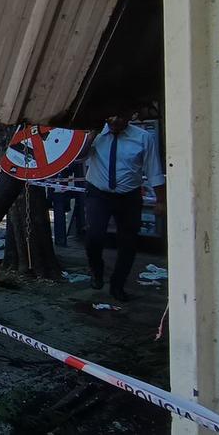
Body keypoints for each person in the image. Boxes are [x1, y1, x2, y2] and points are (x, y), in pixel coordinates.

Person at [83, 106, 165, 301]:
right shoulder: (96, 133)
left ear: (130, 116)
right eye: (111, 116)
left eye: (120, 116)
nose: (115, 120)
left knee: (128, 243)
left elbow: (154, 170)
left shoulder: (143, 137)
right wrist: (90, 136)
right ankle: (96, 269)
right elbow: (78, 156)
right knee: (94, 236)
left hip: (129, 196)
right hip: (98, 193)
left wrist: (161, 200)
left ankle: (118, 285)